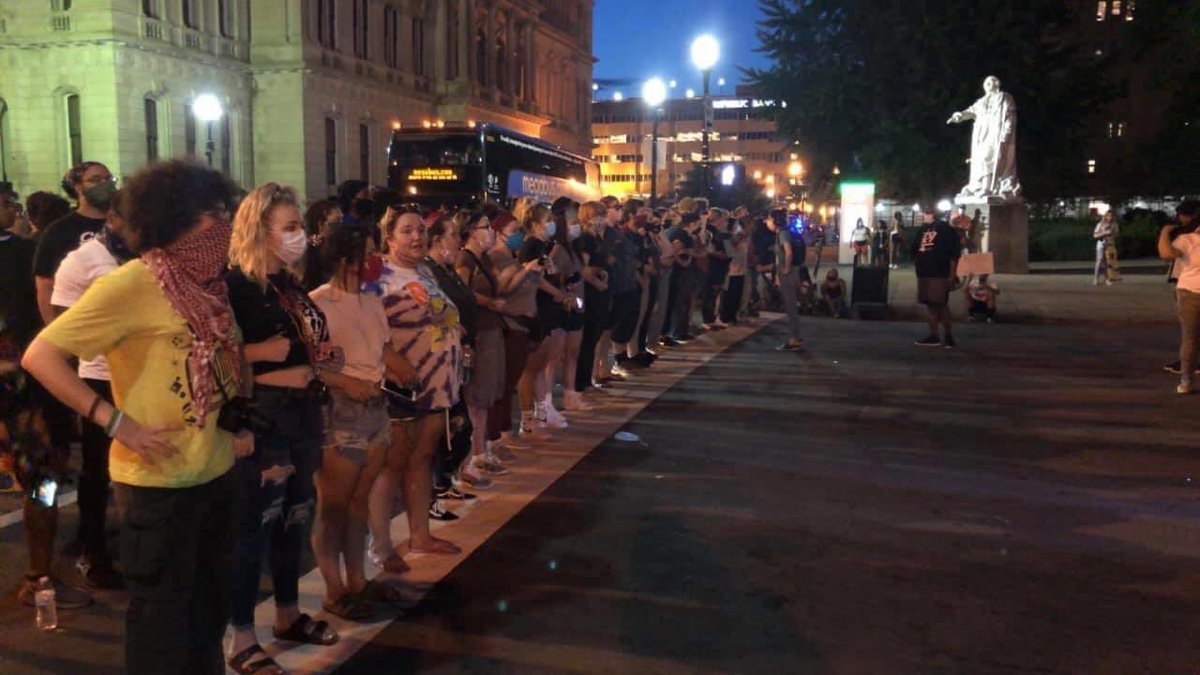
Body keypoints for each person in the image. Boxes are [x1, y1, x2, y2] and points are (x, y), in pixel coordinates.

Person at [22, 159, 250, 673]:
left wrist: (240, 421)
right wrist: (115, 421)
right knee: (161, 624)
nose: (224, 227)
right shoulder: (131, 285)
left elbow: (227, 362)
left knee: (209, 613)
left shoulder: (210, 285)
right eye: (212, 215)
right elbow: (42, 356)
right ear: (175, 220)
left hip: (216, 470)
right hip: (157, 482)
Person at [226, 183, 340, 671]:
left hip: (302, 413)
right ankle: (241, 636)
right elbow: (210, 354)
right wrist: (258, 354)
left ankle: (288, 614)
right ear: (260, 230)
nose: (299, 237)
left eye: (299, 226)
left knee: (295, 516)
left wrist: (320, 356)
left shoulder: (288, 286)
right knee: (256, 523)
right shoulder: (235, 286)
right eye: (289, 227)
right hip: (266, 415)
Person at [308, 224, 409, 621]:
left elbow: (381, 349)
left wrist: (403, 370)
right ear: (343, 258)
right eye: (367, 252)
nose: (374, 260)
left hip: (375, 409)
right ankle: (333, 588)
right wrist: (346, 382)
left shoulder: (371, 300)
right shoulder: (318, 303)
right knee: (332, 505)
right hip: (340, 411)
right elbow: (311, 366)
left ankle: (357, 580)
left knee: (358, 502)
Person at [49, 188, 137, 590]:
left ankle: (138, 545)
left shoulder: (148, 255)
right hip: (100, 375)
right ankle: (95, 550)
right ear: (112, 219)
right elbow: (61, 329)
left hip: (144, 375)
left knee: (141, 463)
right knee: (98, 467)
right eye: (132, 221)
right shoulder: (82, 261)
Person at [369, 206, 464, 564]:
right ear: (389, 237)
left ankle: (420, 536)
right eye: (406, 231)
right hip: (402, 387)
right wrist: (393, 360)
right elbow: (365, 327)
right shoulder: (377, 275)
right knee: (390, 466)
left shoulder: (424, 271)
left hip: (436, 386)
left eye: (421, 230)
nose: (416, 237)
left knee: (422, 459)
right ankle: (380, 546)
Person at [422, 213, 482, 517]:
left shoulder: (446, 270)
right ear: (437, 239)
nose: (459, 240)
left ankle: (445, 482)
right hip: (436, 361)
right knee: (447, 428)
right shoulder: (427, 272)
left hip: (456, 354)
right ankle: (435, 489)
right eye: (454, 235)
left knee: (458, 427)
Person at [455, 211, 507, 486]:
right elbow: (462, 293)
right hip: (480, 330)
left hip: (491, 327)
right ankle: (475, 455)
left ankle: (481, 449)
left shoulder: (484, 259)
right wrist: (488, 303)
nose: (490, 232)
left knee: (488, 391)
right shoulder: (465, 260)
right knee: (477, 394)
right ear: (471, 231)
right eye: (486, 227)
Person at [33, 162, 114, 325]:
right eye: (95, 180)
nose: (104, 184)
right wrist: (53, 328)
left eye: (108, 179)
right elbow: (45, 282)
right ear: (78, 187)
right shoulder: (59, 230)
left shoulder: (124, 224)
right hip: (82, 319)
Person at [517, 204, 575, 430]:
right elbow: (533, 277)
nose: (552, 224)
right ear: (534, 224)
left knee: (542, 364)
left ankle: (543, 412)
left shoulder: (543, 246)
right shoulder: (531, 245)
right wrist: (556, 293)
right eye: (547, 220)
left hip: (548, 307)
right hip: (538, 307)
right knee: (532, 367)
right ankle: (528, 420)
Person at [549, 198, 592, 411]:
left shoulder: (572, 248)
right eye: (573, 221)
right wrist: (566, 286)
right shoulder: (557, 250)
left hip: (577, 304)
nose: (577, 226)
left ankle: (570, 394)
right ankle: (546, 402)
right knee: (555, 357)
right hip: (565, 307)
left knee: (573, 353)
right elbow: (553, 278)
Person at [1158, 200, 1200, 394]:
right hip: (1189, 290)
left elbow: (1165, 253)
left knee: (1190, 338)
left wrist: (1165, 232)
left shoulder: (1188, 239)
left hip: (1189, 290)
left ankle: (1186, 381)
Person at [574, 200, 612, 389]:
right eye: (598, 216)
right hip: (590, 293)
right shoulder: (585, 239)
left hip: (600, 292)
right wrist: (598, 281)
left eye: (603, 215)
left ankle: (588, 378)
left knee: (594, 336)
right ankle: (581, 382)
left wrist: (602, 272)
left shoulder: (597, 238)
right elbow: (584, 268)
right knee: (588, 339)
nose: (601, 220)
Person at [911, 205, 961, 348]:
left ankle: (948, 336)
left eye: (926, 212)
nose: (924, 215)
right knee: (930, 305)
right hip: (924, 272)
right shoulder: (922, 230)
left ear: (933, 214)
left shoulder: (946, 230)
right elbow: (914, 249)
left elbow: (953, 253)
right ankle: (934, 335)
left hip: (939, 272)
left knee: (941, 304)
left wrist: (952, 273)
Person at [766, 209, 805, 351]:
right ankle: (795, 337)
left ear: (774, 221)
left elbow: (788, 252)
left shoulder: (782, 234)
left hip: (788, 274)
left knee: (790, 306)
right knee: (791, 306)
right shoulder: (787, 232)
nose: (767, 222)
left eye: (769, 219)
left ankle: (794, 338)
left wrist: (786, 269)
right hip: (791, 272)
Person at [302, 199, 343, 290]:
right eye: (337, 221)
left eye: (342, 220)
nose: (341, 226)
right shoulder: (308, 250)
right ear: (321, 224)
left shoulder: (339, 247)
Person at [719, 219, 748, 324]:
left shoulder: (742, 238)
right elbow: (729, 252)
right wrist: (736, 241)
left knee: (737, 295)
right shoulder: (726, 238)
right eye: (735, 226)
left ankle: (733, 315)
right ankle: (725, 316)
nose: (737, 228)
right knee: (729, 295)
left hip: (741, 270)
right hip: (731, 270)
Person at [1093, 211, 1121, 286]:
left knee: (1108, 263)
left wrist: (1112, 233)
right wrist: (1104, 233)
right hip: (1101, 244)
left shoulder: (1114, 225)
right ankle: (1096, 279)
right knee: (1099, 261)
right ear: (1105, 216)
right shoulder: (1100, 224)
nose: (1110, 218)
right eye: (1108, 216)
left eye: (1111, 216)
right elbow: (1095, 235)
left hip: (1110, 245)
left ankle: (1108, 279)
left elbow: (1117, 234)